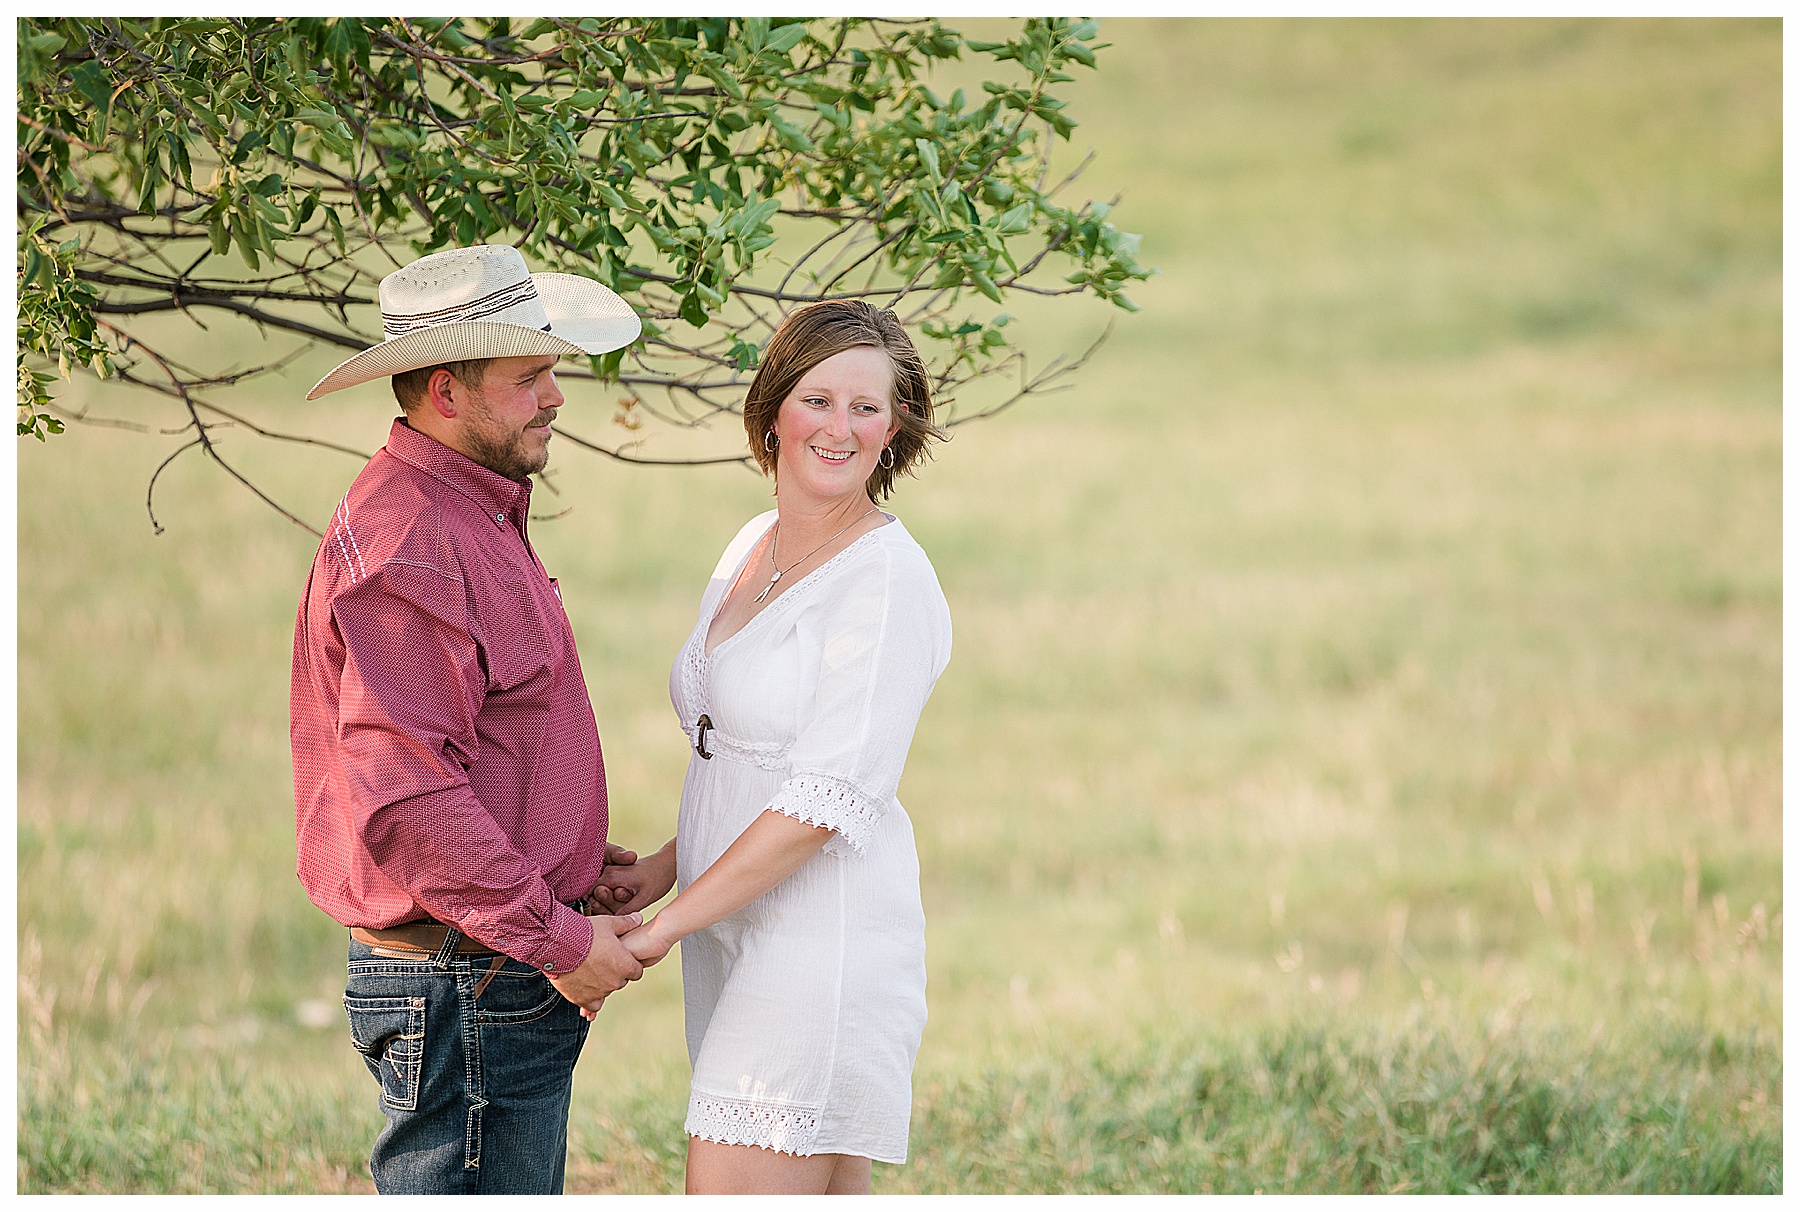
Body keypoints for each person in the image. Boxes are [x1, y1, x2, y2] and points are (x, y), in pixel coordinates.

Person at [290, 244, 647, 1194]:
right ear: (447, 392)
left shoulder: (467, 508)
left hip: (487, 960)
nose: (556, 396)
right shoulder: (412, 541)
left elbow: (487, 734)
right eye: (530, 377)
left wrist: (566, 855)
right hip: (470, 973)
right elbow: (408, 795)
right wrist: (560, 937)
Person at [594, 300, 953, 1194]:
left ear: (895, 427)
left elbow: (823, 801)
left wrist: (662, 929)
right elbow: (748, 756)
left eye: (867, 407)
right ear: (773, 409)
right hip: (737, 924)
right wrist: (670, 867)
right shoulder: (754, 543)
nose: (840, 427)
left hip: (820, 944)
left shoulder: (885, 581)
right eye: (818, 399)